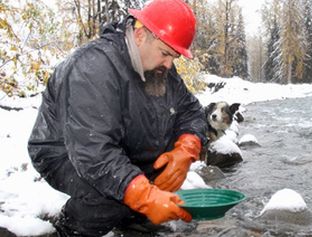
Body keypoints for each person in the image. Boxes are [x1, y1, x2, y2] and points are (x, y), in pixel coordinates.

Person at [27, 0, 207, 236]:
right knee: (111, 195)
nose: (169, 64)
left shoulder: (160, 67)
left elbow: (191, 110)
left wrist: (186, 149)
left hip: (117, 145)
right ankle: (68, 229)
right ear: (141, 35)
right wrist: (142, 195)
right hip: (64, 153)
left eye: (175, 57)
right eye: (165, 54)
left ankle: (132, 221)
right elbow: (93, 152)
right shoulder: (92, 68)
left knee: (157, 172)